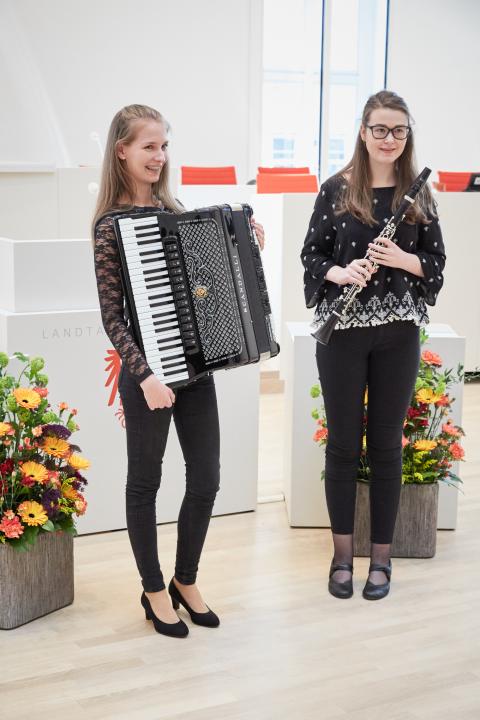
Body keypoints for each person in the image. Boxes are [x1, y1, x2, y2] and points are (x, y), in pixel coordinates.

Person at [92, 104, 265, 636]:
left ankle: (184, 580)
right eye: (149, 146)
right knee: (145, 483)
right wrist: (145, 376)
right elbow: (113, 316)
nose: (159, 156)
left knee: (207, 478)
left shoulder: (177, 211)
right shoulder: (109, 225)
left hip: (194, 370)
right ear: (122, 150)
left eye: (164, 146)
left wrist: (246, 249)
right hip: (147, 376)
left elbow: (205, 292)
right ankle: (152, 589)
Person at [300, 90, 446, 600]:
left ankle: (381, 560)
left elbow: (435, 265)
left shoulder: (419, 195)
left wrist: (400, 258)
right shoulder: (336, 190)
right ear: (363, 131)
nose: (389, 139)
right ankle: (342, 555)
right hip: (340, 333)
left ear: (407, 136)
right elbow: (311, 256)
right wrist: (341, 271)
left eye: (399, 130)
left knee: (386, 446)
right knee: (343, 445)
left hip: (398, 332)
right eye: (380, 129)